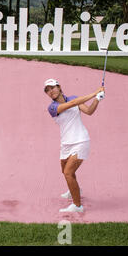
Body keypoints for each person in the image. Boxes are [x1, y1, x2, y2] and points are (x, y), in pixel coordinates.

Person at [44, 78, 104, 212]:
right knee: (65, 171)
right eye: (47, 90)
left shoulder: (74, 99)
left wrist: (97, 99)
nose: (50, 91)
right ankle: (74, 190)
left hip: (81, 140)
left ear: (59, 87)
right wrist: (94, 93)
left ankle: (77, 206)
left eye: (52, 87)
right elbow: (73, 103)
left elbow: (89, 111)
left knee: (68, 173)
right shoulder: (52, 107)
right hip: (66, 143)